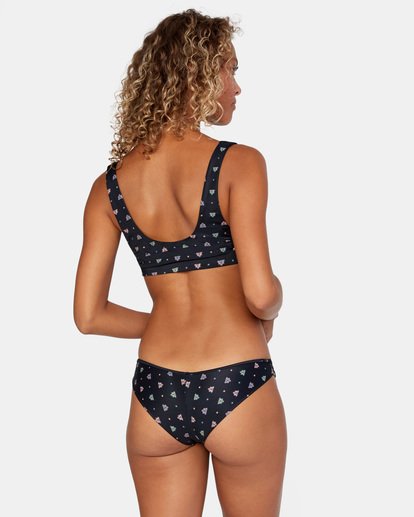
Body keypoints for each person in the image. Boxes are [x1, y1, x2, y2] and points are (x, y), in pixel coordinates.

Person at [73, 8, 287, 517]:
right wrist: (275, 303)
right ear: (199, 74)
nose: (237, 86)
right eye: (230, 69)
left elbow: (88, 315)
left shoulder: (108, 188)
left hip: (156, 394)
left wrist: (166, 320)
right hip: (237, 382)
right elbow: (260, 294)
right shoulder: (239, 163)